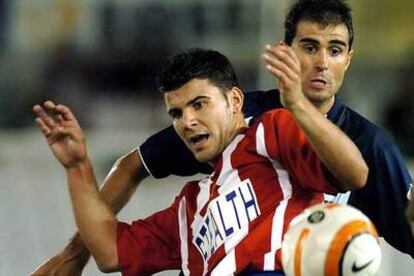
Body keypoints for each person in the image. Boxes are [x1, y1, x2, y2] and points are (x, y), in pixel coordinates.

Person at [31, 0, 413, 274]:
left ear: (349, 58)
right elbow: (128, 189)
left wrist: (296, 105)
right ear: (286, 51)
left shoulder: (278, 129)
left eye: (334, 50)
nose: (188, 122)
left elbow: (356, 176)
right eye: (309, 47)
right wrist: (77, 176)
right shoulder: (191, 203)